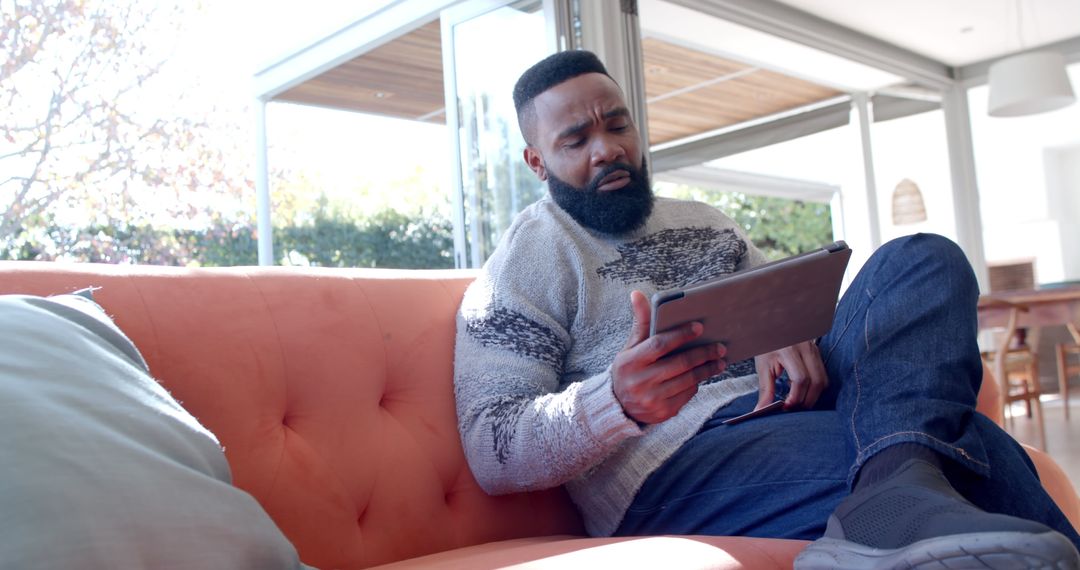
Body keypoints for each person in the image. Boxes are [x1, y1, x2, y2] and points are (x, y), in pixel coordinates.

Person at [453, 49, 1080, 569]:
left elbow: (789, 313)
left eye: (618, 126)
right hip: (677, 461)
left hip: (802, 405)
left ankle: (891, 494)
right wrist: (615, 402)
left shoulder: (706, 223)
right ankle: (897, 488)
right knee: (979, 452)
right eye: (576, 139)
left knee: (923, 258)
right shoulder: (526, 260)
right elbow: (492, 444)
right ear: (537, 162)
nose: (607, 149)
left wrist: (790, 332)